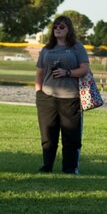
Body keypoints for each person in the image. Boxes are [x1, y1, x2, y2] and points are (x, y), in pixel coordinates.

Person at [35, 15, 90, 174]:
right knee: (48, 136)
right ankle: (47, 166)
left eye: (62, 27)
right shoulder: (47, 48)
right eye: (55, 26)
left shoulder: (76, 47)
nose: (57, 29)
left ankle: (70, 168)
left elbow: (84, 69)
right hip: (47, 97)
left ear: (69, 29)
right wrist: (39, 92)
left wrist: (67, 72)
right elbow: (39, 72)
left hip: (71, 98)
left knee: (71, 136)